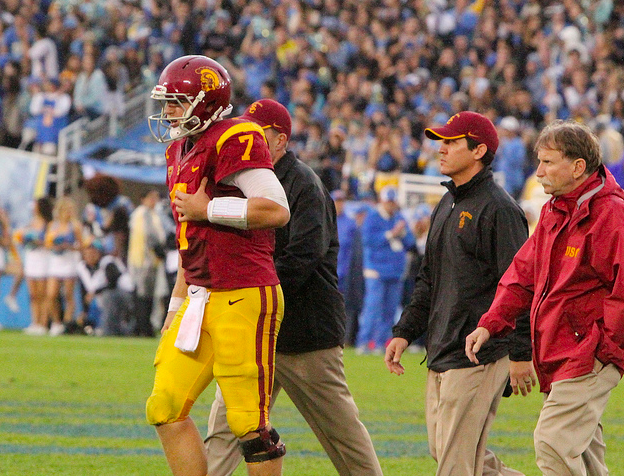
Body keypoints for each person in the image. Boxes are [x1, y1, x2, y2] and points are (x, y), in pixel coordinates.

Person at [184, 99, 382, 476]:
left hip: (304, 333)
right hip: (254, 330)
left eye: (258, 134)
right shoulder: (241, 180)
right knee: (224, 430)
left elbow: (303, 258)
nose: (247, 140)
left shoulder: (304, 183)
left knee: (342, 436)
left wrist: (251, 296)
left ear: (281, 141)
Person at [145, 56, 290, 476]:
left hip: (244, 291)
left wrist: (210, 207)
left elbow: (276, 209)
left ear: (204, 102)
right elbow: (189, 240)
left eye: (176, 102)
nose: (168, 111)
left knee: (249, 424)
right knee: (165, 406)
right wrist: (176, 305)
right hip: (198, 295)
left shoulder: (236, 135)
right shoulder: (178, 150)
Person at [466, 120, 624, 476]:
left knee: (552, 442)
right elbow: (522, 275)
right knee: (584, 454)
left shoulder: (612, 215)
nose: (538, 172)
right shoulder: (556, 210)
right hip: (561, 351)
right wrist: (490, 324)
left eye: (548, 162)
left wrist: (605, 347)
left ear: (578, 167)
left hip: (587, 354)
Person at [385, 111, 533, 476]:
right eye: (441, 141)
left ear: (479, 149)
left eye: (451, 142)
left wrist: (520, 352)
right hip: (442, 344)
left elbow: (521, 284)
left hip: (479, 352)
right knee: (451, 454)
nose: (441, 149)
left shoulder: (500, 209)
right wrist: (405, 331)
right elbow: (428, 278)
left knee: (454, 463)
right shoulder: (446, 203)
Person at [356, 185, 415, 355]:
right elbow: (368, 240)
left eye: (393, 202)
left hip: (395, 270)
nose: (391, 205)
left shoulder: (399, 217)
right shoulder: (373, 217)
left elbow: (409, 242)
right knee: (373, 307)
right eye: (388, 201)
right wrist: (390, 234)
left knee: (390, 309)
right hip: (376, 269)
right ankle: (364, 341)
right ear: (382, 201)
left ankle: (382, 342)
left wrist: (403, 234)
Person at [127, 189, 167, 337]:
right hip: (144, 261)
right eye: (151, 197)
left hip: (147, 261)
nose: (154, 200)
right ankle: (143, 326)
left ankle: (143, 325)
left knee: (146, 294)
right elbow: (150, 234)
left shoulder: (149, 214)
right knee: (144, 295)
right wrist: (159, 249)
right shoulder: (143, 213)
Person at [76, 239, 134, 336]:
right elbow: (84, 292)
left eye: (93, 252)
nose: (90, 255)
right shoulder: (82, 268)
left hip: (125, 294)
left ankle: (107, 330)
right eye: (87, 253)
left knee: (108, 296)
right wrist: (84, 311)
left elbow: (113, 282)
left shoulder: (107, 262)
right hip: (103, 299)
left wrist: (95, 292)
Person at [44, 196, 84, 336]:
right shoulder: (53, 225)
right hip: (56, 261)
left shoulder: (75, 226)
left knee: (68, 294)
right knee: (51, 294)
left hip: (69, 261)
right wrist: (55, 245)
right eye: (67, 210)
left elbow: (81, 246)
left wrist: (70, 246)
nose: (69, 213)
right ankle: (56, 322)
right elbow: (47, 244)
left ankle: (67, 323)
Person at [15, 197, 53, 335]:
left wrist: (38, 241)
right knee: (33, 294)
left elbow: (49, 243)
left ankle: (43, 323)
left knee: (42, 293)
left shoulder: (48, 224)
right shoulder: (31, 222)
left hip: (43, 258)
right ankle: (34, 322)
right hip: (31, 258)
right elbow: (21, 238)